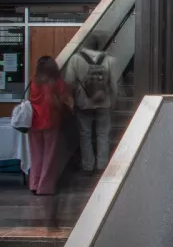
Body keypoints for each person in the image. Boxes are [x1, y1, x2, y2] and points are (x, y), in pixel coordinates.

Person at [64, 34, 116, 173]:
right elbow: (113, 84)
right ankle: (102, 165)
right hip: (104, 102)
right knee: (103, 134)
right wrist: (113, 100)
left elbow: (69, 82)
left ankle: (88, 166)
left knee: (85, 135)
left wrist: (74, 99)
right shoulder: (109, 60)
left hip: (83, 103)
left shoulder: (75, 59)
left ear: (85, 45)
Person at [28, 56, 72, 195]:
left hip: (34, 122)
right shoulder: (57, 82)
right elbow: (65, 99)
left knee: (36, 155)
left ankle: (34, 184)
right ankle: (44, 187)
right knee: (49, 156)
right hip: (51, 122)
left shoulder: (34, 82)